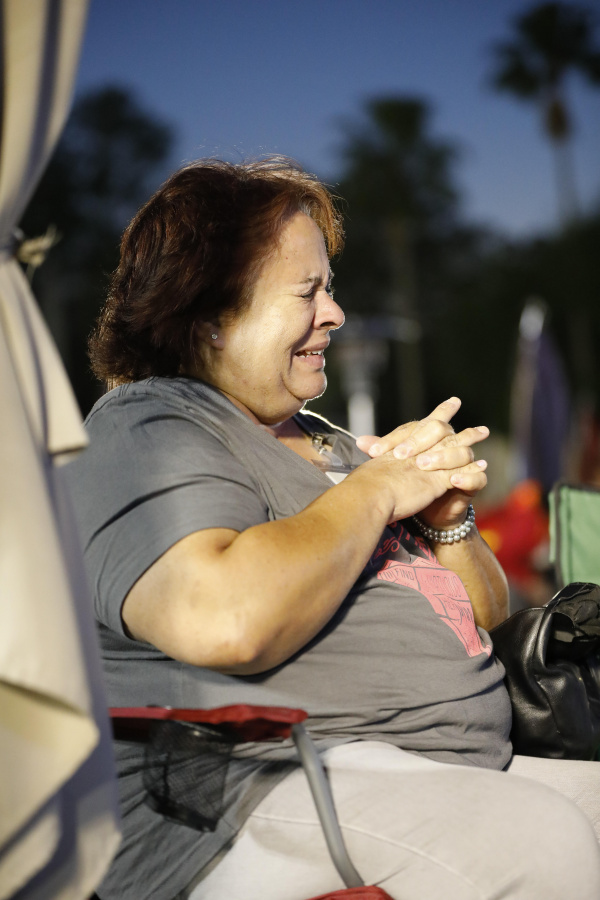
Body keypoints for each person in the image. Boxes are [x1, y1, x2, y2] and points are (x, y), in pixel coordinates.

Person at [65, 158, 600, 900]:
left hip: (427, 769)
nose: (336, 313)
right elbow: (223, 620)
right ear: (211, 315)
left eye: (331, 286)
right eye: (307, 291)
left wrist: (448, 521)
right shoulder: (149, 425)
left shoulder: (329, 443)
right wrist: (378, 490)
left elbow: (481, 623)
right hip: (242, 792)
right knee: (539, 842)